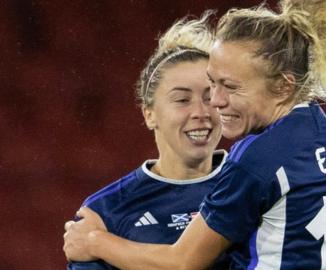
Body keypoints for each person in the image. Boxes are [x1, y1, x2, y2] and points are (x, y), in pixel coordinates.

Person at [64, 0, 326, 269]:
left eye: (231, 87)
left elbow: (184, 262)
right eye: (213, 84)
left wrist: (96, 243)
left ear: (282, 86)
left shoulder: (259, 158)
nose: (216, 103)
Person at [66, 14, 229, 270]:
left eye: (210, 98)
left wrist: (100, 243)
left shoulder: (255, 184)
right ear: (149, 114)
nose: (201, 112)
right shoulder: (106, 212)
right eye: (182, 100)